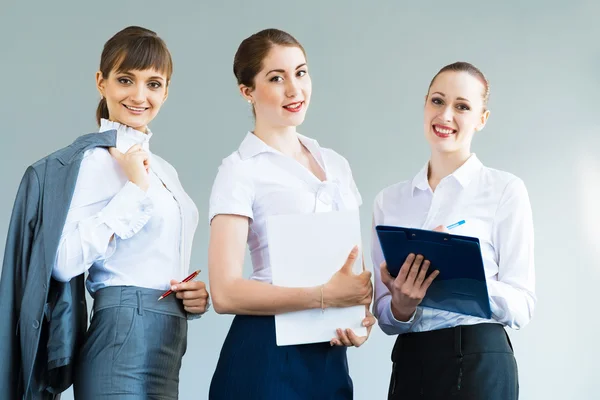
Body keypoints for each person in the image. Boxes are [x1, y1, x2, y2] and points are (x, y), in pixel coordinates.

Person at [207, 28, 375, 399]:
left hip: (330, 354)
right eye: (276, 78)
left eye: (300, 72)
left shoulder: (336, 164)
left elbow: (355, 274)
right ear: (247, 91)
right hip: (265, 352)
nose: (294, 89)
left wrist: (362, 322)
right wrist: (323, 297)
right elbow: (224, 292)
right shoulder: (239, 170)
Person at [50, 26, 209, 399]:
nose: (140, 96)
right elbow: (61, 261)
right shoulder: (93, 161)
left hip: (169, 338)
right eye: (126, 80)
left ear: (166, 91)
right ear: (101, 82)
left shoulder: (164, 169)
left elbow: (151, 258)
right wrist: (133, 189)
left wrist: (192, 297)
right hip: (122, 337)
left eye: (153, 84)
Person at [372, 62, 536, 400]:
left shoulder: (504, 190)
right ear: (424, 106)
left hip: (479, 358)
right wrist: (402, 306)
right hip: (411, 360)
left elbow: (523, 306)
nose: (445, 115)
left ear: (481, 119)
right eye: (437, 101)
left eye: (462, 106)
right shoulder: (389, 201)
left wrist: (463, 273)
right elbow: (386, 316)